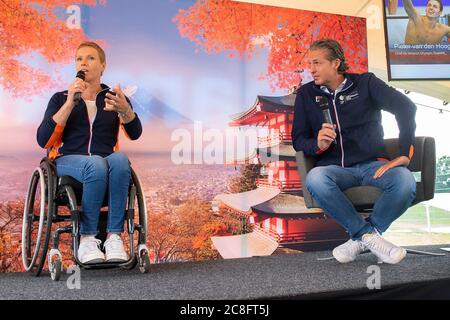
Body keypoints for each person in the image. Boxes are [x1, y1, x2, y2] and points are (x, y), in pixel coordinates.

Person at [292, 39, 417, 264]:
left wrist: (404, 153)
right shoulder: (305, 95)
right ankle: (370, 237)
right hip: (334, 170)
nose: (311, 69)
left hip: (373, 166)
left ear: (336, 63)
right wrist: (317, 144)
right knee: (316, 178)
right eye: (309, 63)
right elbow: (298, 140)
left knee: (405, 181)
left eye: (317, 63)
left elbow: (406, 107)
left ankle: (360, 239)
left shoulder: (366, 83)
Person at [37, 42, 142, 264]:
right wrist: (68, 103)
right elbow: (43, 139)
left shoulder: (114, 98)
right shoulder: (60, 97)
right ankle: (87, 239)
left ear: (102, 66)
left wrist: (125, 110)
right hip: (68, 162)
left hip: (106, 162)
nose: (83, 62)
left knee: (121, 159)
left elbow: (135, 133)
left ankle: (114, 237)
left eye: (90, 58)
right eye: (79, 58)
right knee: (95, 163)